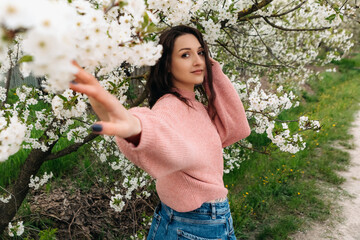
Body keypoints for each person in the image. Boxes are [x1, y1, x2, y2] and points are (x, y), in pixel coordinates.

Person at [70, 25, 250, 240]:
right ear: (166, 65)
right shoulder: (169, 106)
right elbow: (157, 130)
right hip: (192, 224)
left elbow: (236, 128)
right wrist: (134, 129)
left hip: (214, 220)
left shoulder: (196, 106)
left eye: (201, 52)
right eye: (185, 54)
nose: (197, 61)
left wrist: (213, 72)